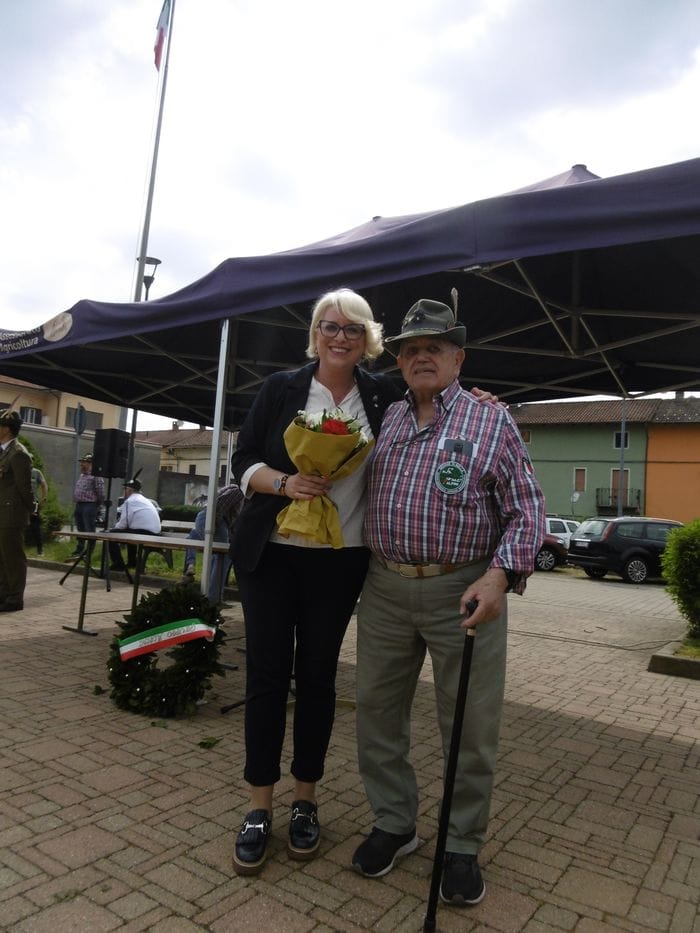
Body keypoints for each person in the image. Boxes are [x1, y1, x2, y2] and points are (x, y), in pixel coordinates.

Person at [351, 299, 546, 907]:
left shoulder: (493, 421)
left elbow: (529, 510)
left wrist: (500, 576)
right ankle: (395, 824)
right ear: (399, 362)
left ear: (459, 358)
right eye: (411, 349)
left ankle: (461, 845)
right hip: (382, 587)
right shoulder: (382, 416)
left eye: (435, 346)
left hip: (464, 590)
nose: (422, 356)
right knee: (377, 714)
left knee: (469, 725)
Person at [228, 288, 403, 875]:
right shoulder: (281, 388)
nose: (340, 336)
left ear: (368, 339)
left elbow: (432, 414)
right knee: (267, 677)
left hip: (341, 556)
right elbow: (242, 459)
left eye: (353, 328)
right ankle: (259, 806)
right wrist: (284, 482)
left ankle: (306, 801)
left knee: (320, 679)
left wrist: (475, 397)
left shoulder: (384, 396)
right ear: (315, 332)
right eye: (330, 326)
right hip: (272, 553)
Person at [182, 483, 244, 602]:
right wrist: (214, 525)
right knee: (223, 556)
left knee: (218, 556)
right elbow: (218, 506)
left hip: (209, 518)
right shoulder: (238, 491)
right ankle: (213, 599)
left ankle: (211, 596)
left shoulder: (234, 490)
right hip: (211, 518)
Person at [0, 409, 34, 612]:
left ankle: (15, 599)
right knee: (2, 557)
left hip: (11, 515)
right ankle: (3, 594)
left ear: (6, 429)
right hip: (1, 513)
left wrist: (32, 509)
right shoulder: (4, 452)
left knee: (13, 558)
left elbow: (25, 488)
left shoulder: (19, 454)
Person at [108, 476, 161, 571]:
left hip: (145, 532)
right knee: (130, 532)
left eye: (125, 489)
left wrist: (112, 530)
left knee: (111, 536)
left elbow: (123, 523)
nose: (123, 491)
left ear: (129, 490)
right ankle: (132, 562)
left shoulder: (130, 501)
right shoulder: (144, 499)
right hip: (154, 532)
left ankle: (118, 564)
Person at [71, 454, 105, 557]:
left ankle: (89, 552)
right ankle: (79, 549)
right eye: (81, 462)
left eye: (84, 462)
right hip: (80, 504)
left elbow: (101, 493)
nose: (81, 464)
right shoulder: (82, 475)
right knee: (80, 528)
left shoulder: (96, 476)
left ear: (91, 464)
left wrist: (97, 505)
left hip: (90, 505)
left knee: (89, 529)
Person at [28, 455, 48, 556]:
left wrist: (44, 498)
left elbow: (44, 484)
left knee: (35, 526)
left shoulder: (36, 472)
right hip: (19, 503)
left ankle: (40, 549)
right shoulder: (18, 469)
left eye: (31, 459)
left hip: (33, 502)